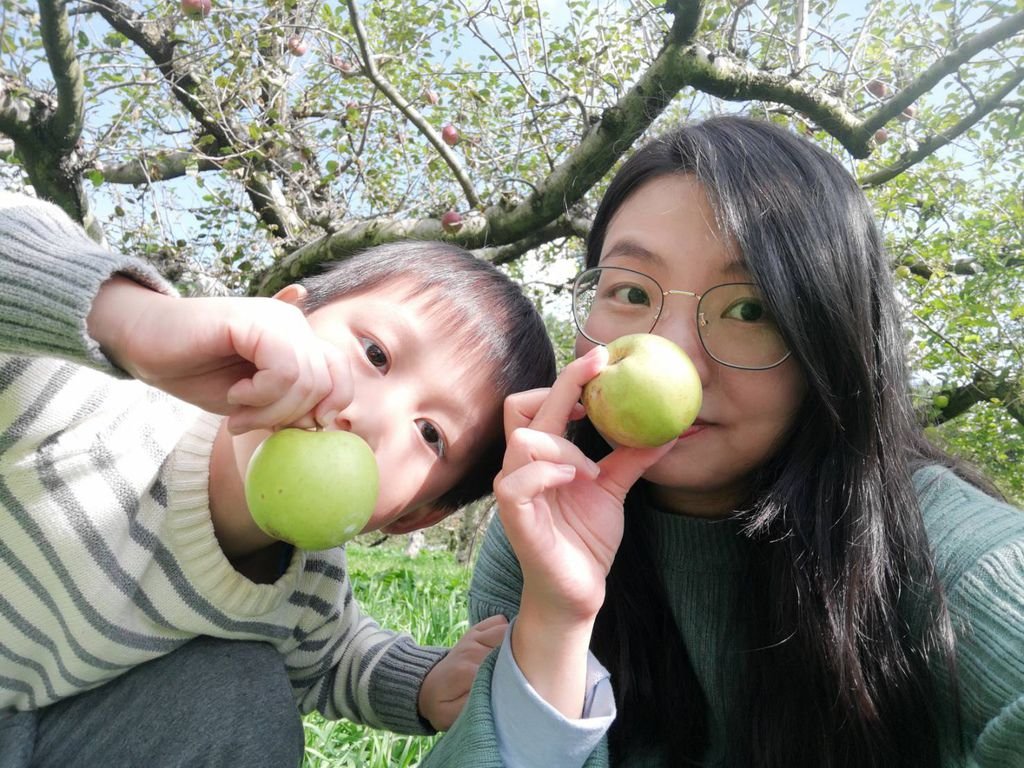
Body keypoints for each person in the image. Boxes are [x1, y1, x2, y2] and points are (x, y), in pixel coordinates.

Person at [421, 116, 1024, 767]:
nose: (672, 352)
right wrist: (555, 622)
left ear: (830, 337)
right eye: (628, 291)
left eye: (749, 309)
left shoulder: (940, 551)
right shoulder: (543, 526)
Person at [0, 190, 557, 767]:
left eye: (431, 434)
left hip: (30, 738)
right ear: (281, 317)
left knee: (243, 693)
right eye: (375, 353)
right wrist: (130, 318)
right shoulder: (86, 402)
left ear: (416, 513)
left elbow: (339, 657)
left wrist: (424, 682)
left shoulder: (306, 592)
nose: (366, 416)